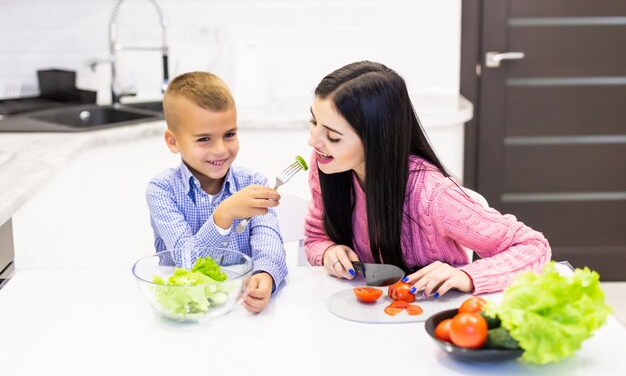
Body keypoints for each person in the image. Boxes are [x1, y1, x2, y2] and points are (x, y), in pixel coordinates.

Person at [304, 61, 551, 297]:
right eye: (313, 122)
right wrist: (328, 251)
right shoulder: (326, 166)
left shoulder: (433, 195)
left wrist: (467, 276)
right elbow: (315, 236)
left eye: (333, 137)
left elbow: (533, 246)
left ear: (377, 140)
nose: (313, 141)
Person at [146, 71, 287, 313]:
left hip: (240, 307)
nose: (221, 149)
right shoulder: (162, 190)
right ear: (173, 142)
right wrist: (225, 213)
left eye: (229, 134)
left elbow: (269, 241)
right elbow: (188, 262)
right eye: (204, 139)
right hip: (186, 309)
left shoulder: (252, 181)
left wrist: (266, 275)